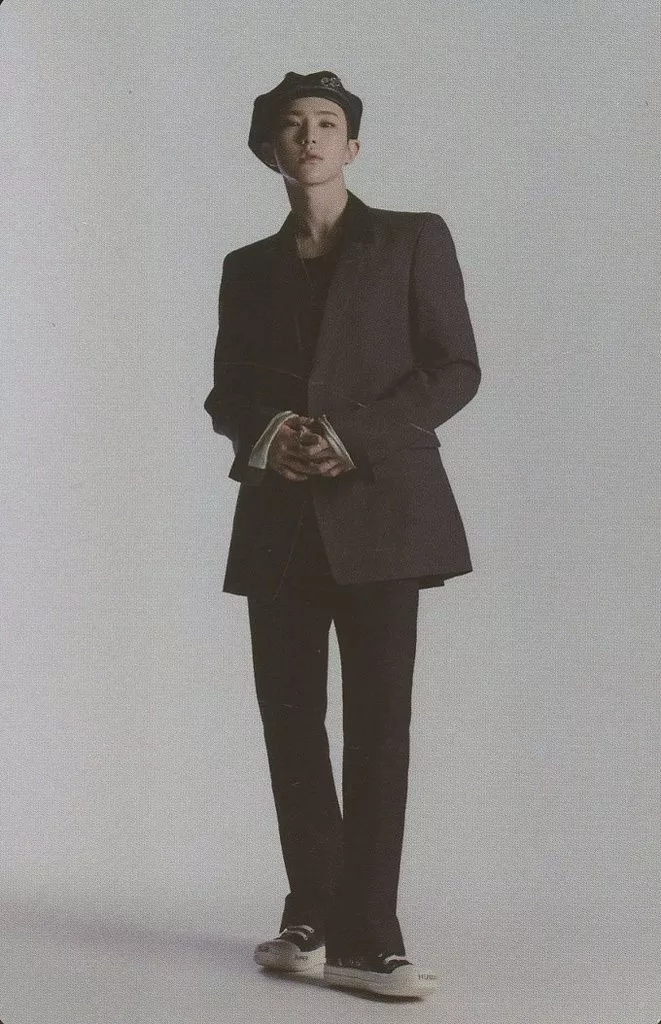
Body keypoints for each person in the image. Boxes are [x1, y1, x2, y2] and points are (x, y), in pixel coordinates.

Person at [204, 71, 480, 999]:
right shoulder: (247, 266)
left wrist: (350, 438)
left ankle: (371, 935)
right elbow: (228, 390)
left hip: (384, 520)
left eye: (327, 123)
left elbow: (453, 368)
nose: (310, 137)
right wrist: (271, 433)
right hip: (279, 523)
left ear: (352, 147)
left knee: (378, 726)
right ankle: (310, 916)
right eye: (291, 126)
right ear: (268, 152)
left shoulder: (411, 238)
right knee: (289, 722)